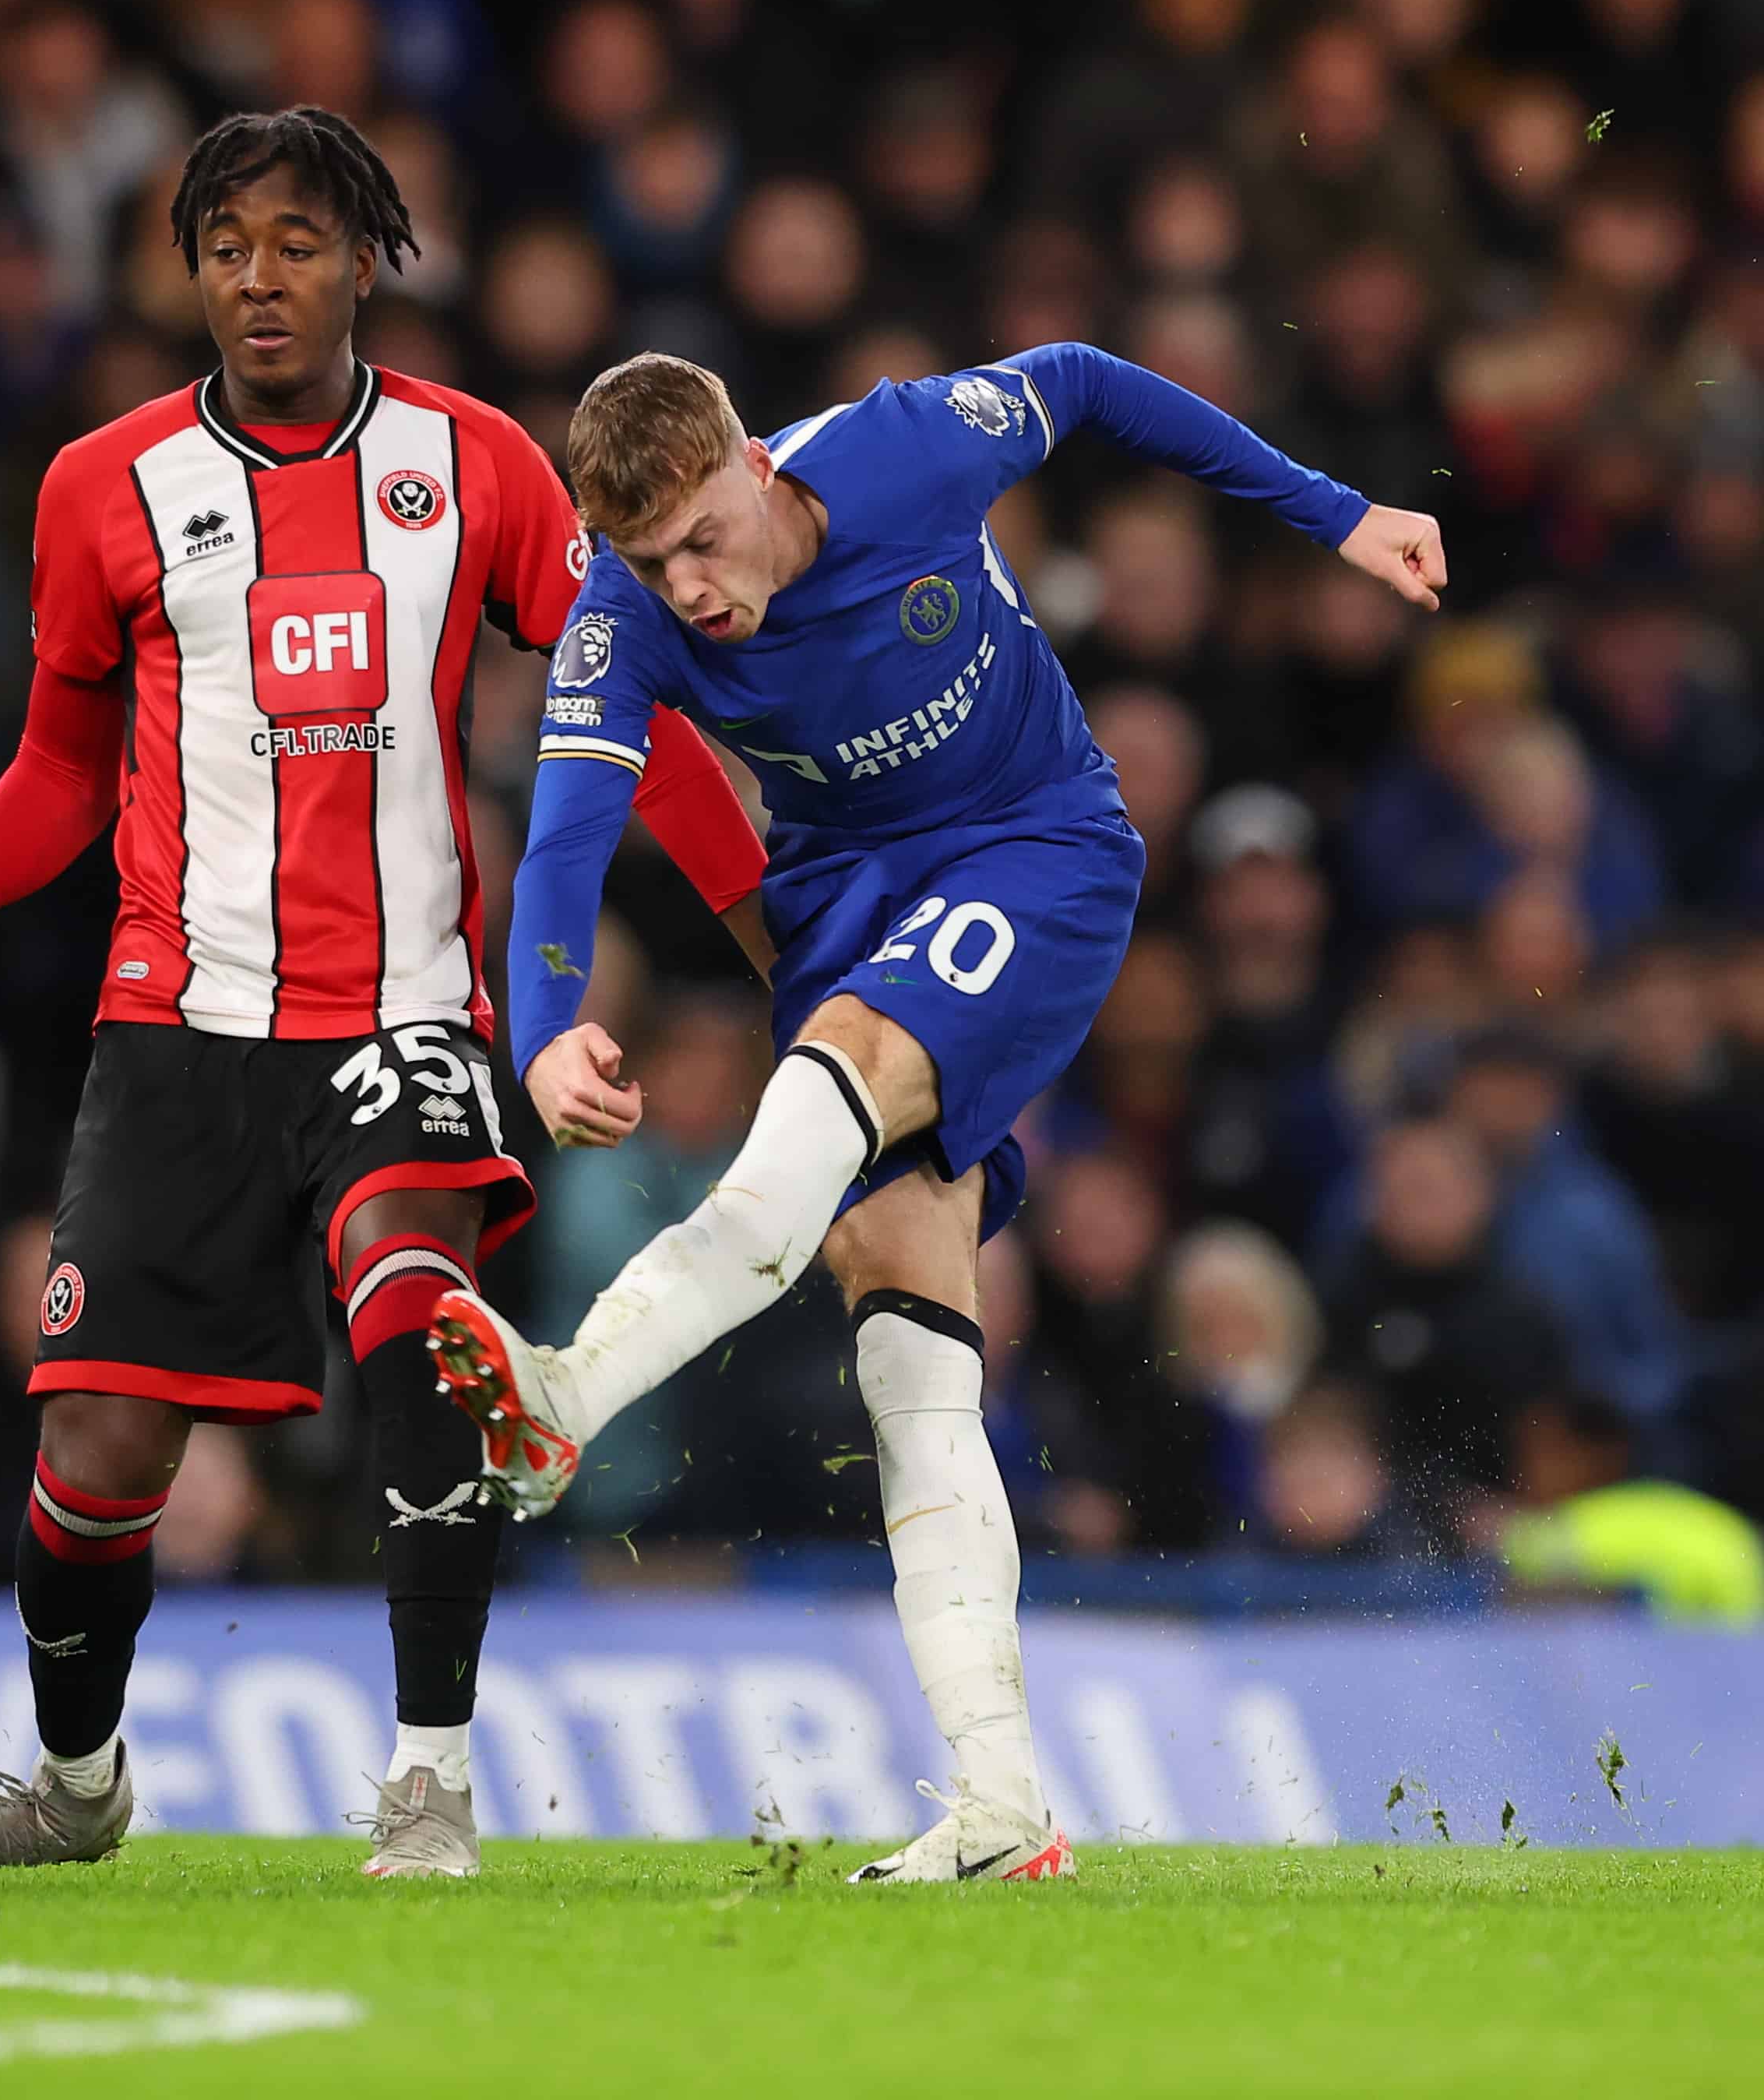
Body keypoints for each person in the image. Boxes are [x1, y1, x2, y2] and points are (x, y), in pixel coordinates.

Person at [0, 107, 768, 1878]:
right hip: (179, 1029)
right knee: (96, 1455)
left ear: (367, 260)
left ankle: (430, 1785)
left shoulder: (479, 466)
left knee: (424, 1333)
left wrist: (769, 924)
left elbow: (627, 702)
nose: (260, 279)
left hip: (406, 1018)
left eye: (299, 244)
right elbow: (62, 774)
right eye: (227, 247)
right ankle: (74, 1789)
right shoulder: (102, 487)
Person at [428, 340, 1444, 1883]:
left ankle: (568, 1397)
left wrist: (1335, 513)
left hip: (1034, 847)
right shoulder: (620, 620)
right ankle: (1002, 1805)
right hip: (844, 897)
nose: (689, 584)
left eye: (704, 538)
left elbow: (1090, 379)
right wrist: (550, 1027)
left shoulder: (903, 451)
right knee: (906, 1342)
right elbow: (566, 834)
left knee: (818, 1097)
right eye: (650, 558)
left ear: (755, 466)